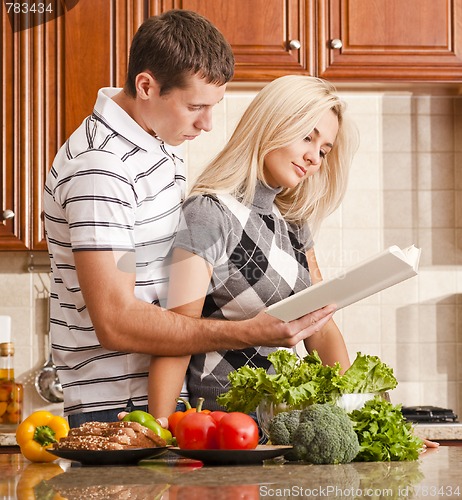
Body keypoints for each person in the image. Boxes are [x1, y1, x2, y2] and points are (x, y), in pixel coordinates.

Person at [43, 11, 336, 428]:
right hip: (116, 407)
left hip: (168, 399)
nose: (207, 123)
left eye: (213, 106)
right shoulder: (100, 166)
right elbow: (116, 321)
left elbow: (178, 289)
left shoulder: (161, 141)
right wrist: (249, 332)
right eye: (196, 106)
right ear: (146, 86)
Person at [148, 75, 360, 421]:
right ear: (271, 123)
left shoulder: (292, 222)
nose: (314, 158)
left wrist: (362, 420)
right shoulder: (208, 213)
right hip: (220, 432)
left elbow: (321, 327)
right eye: (307, 136)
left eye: (324, 151)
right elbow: (176, 337)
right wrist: (158, 429)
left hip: (280, 433)